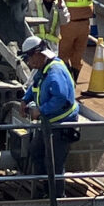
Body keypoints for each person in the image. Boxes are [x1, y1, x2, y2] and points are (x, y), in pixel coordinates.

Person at [22, 35, 79, 193]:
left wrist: (40, 110)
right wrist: (25, 100)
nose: (28, 61)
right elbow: (35, 85)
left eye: (29, 57)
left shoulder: (55, 71)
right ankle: (42, 189)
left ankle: (56, 199)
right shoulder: (44, 68)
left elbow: (60, 98)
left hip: (61, 125)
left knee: (54, 164)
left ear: (39, 54)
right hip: (48, 123)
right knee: (36, 152)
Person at [54, 0, 97, 78]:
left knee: (62, 55)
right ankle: (74, 82)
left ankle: (66, 82)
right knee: (77, 57)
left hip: (68, 25)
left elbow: (57, 2)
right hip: (85, 26)